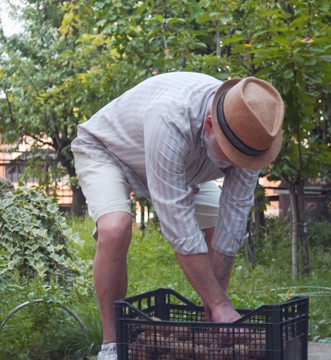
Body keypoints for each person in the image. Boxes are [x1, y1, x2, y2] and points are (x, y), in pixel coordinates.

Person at [70, 71, 284, 360]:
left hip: (186, 167)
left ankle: (208, 321)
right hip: (108, 151)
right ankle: (112, 343)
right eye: (231, 155)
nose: (238, 165)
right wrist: (221, 305)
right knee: (115, 227)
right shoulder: (170, 116)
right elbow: (178, 224)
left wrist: (215, 302)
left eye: (243, 159)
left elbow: (233, 218)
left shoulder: (251, 134)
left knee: (219, 225)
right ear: (210, 125)